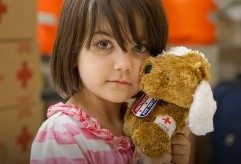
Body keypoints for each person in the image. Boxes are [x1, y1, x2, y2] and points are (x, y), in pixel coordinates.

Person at [31, 0, 190, 163]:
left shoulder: (145, 125)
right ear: (72, 52)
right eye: (104, 44)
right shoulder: (61, 135)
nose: (124, 65)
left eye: (139, 48)